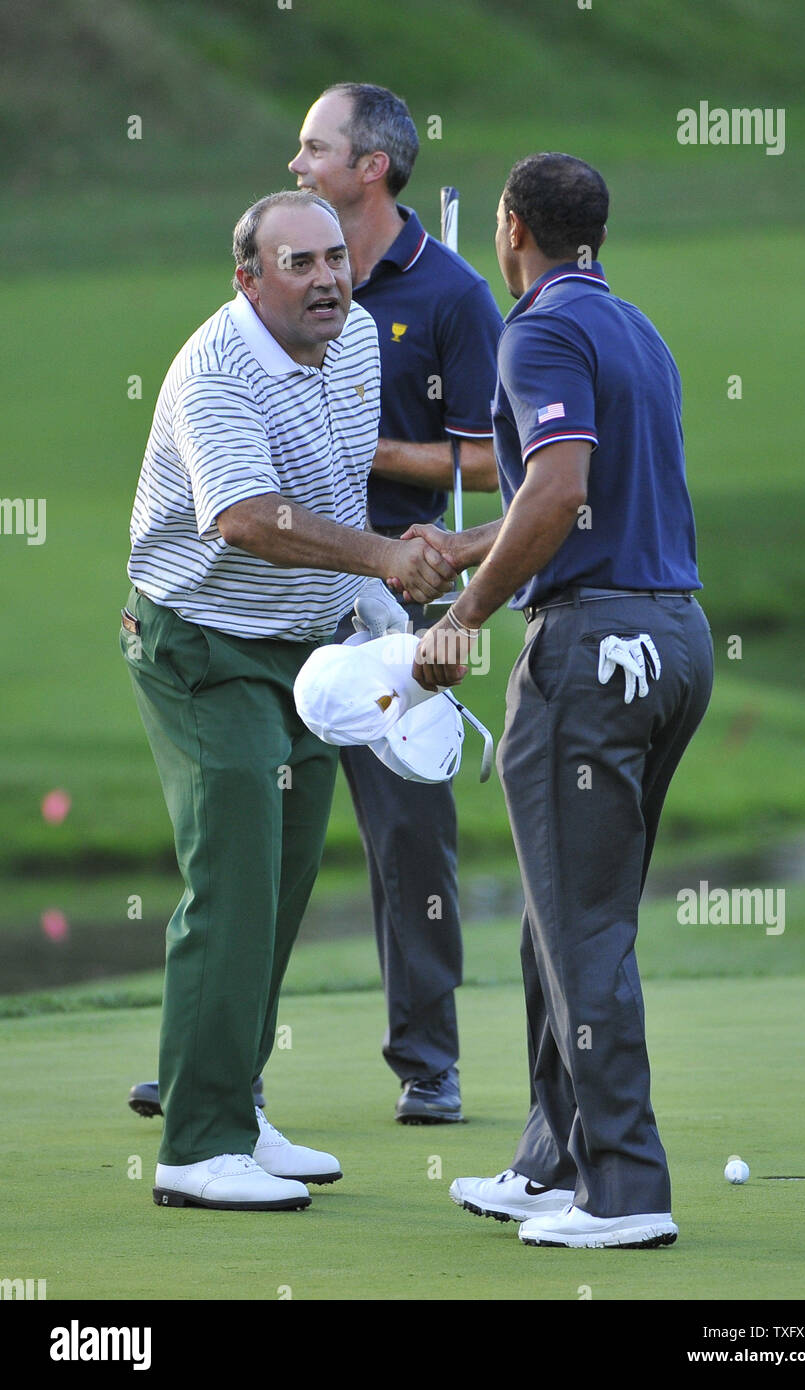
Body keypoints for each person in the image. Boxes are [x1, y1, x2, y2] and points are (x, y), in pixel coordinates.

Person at [121, 189, 455, 1210]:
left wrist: (378, 619)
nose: (325, 278)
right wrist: (389, 559)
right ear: (248, 279)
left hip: (307, 650)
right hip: (200, 645)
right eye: (298, 263)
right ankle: (194, 1143)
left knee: (287, 874)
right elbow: (247, 519)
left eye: (333, 259)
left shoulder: (355, 340)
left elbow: (338, 493)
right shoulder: (217, 370)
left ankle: (236, 1102)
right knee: (234, 875)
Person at [410, 153, 714, 1247]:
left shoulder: (533, 330)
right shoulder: (637, 330)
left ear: (509, 227)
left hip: (591, 650)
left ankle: (624, 1189)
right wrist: (461, 546)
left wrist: (462, 615)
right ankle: (551, 1158)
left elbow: (557, 491)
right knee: (561, 909)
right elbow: (571, 501)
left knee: (578, 926)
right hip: (672, 639)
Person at [288, 83, 504, 1123]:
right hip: (286, 584)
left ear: (368, 167)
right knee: (253, 830)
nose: (297, 166)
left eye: (313, 149)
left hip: (400, 593)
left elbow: (497, 465)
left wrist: (364, 447)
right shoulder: (291, 275)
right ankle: (212, 1057)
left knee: (409, 834)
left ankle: (427, 1061)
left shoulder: (455, 295)